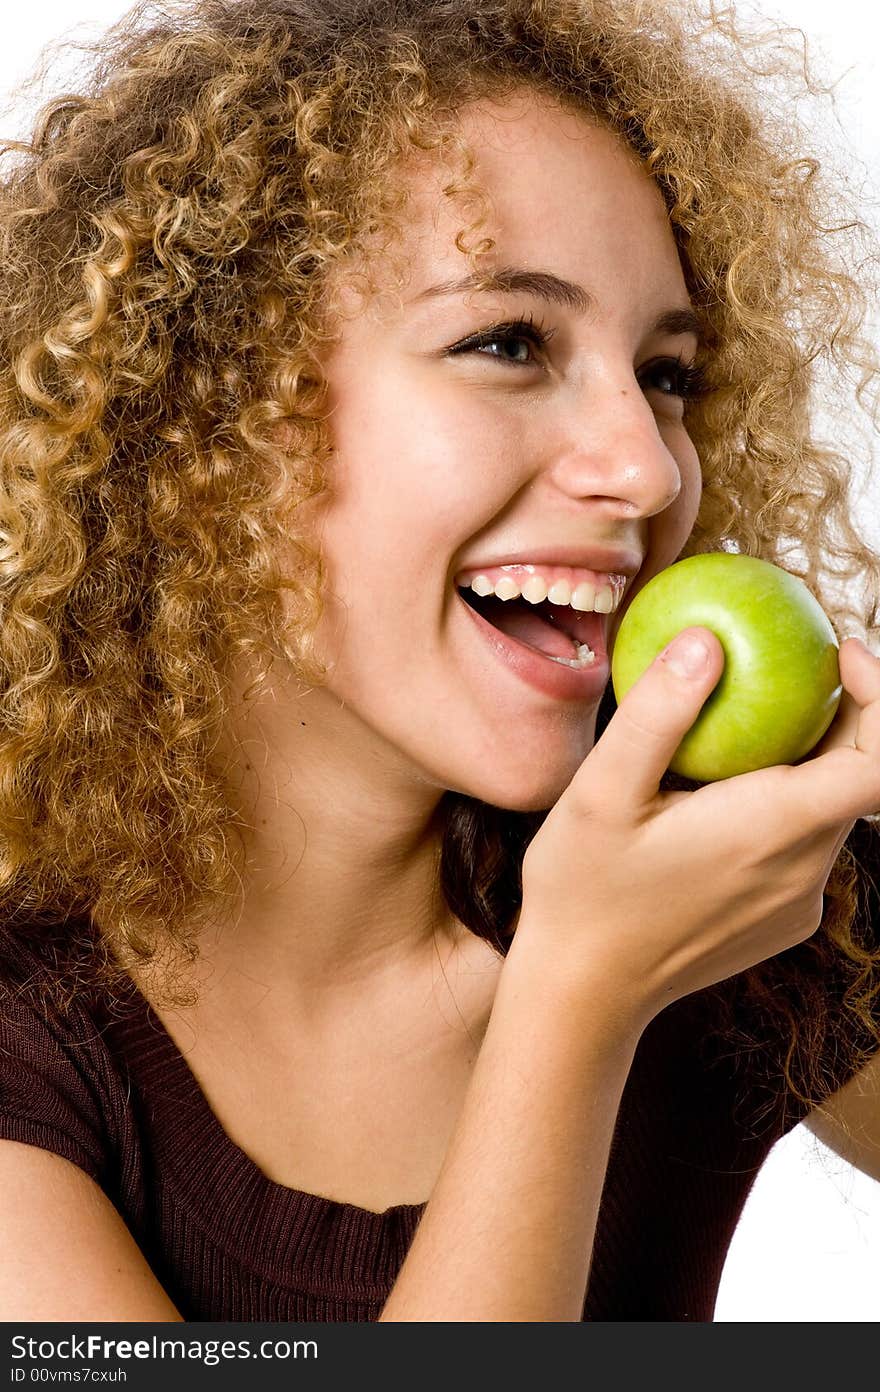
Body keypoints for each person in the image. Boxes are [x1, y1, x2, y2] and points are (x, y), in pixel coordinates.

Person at [1, 0, 879, 1324]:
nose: (646, 468)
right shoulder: (32, 1047)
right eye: (509, 343)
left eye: (668, 373)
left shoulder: (729, 881)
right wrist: (580, 1006)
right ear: (206, 420)